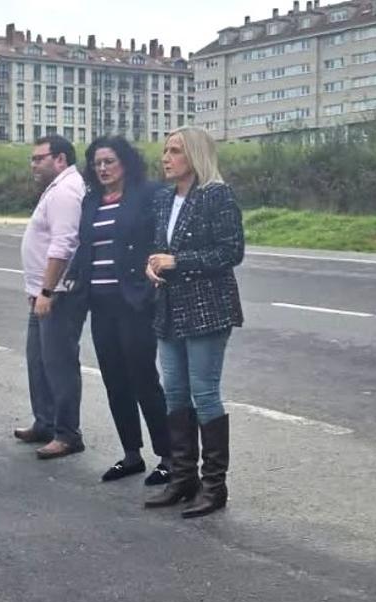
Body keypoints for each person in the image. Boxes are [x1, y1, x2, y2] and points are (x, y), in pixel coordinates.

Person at [144, 126, 244, 518]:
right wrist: (151, 263)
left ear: (196, 155)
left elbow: (231, 251)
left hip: (207, 309)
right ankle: (182, 479)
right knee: (174, 393)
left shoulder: (216, 195)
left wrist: (178, 262)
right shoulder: (164, 199)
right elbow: (161, 249)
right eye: (165, 150)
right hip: (169, 307)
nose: (166, 158)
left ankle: (213, 486)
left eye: (175, 151)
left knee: (204, 394)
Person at [69, 137, 172, 485]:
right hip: (100, 304)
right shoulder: (92, 200)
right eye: (97, 163)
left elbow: (163, 238)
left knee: (144, 378)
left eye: (109, 161)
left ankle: (168, 456)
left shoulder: (149, 194)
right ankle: (131, 454)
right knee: (115, 380)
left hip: (133, 302)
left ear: (124, 162)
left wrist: (150, 286)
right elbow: (84, 248)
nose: (102, 168)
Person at [16, 135, 88, 460]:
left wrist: (46, 291)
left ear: (59, 159)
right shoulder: (57, 188)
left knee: (59, 364)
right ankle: (45, 422)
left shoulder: (66, 192)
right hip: (42, 294)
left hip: (57, 295)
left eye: (38, 158)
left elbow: (63, 245)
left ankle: (67, 433)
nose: (33, 164)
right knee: (38, 361)